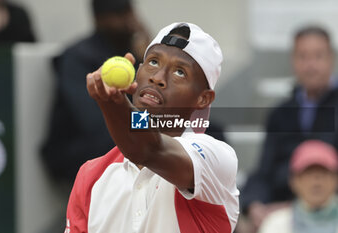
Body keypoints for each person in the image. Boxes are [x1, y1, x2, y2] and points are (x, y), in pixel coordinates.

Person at [64, 22, 239, 233]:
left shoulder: (216, 158)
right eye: (153, 62)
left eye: (180, 72)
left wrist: (113, 103)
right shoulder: (90, 175)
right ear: (138, 71)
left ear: (203, 98)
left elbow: (147, 150)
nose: (157, 78)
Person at [240, 25, 338, 231]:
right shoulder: (280, 114)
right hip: (280, 211)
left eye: (318, 56)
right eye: (303, 56)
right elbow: (264, 170)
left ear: (331, 59)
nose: (310, 65)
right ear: (293, 61)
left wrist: (302, 203)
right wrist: (254, 204)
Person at [41, 0, 150, 183]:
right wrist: (151, 124)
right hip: (78, 151)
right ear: (99, 19)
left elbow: (157, 108)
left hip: (127, 140)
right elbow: (97, 124)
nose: (129, 22)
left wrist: (149, 56)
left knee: (196, 131)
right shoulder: (77, 57)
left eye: (130, 13)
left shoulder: (134, 53)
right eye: (119, 15)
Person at [258, 140, 338, 233]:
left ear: (335, 179)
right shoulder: (275, 224)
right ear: (293, 181)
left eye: (323, 173)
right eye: (309, 173)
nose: (316, 180)